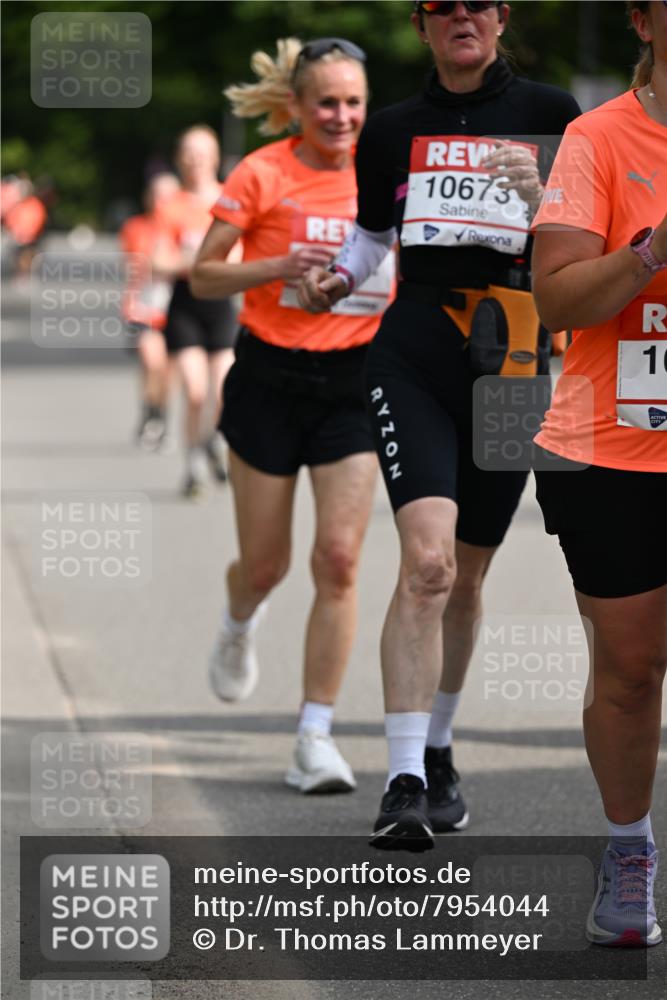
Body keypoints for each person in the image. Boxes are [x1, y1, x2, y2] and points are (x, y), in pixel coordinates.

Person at [299, 1, 580, 848]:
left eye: (477, 5)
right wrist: (334, 279)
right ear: (423, 27)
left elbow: (583, 236)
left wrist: (543, 196)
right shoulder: (390, 129)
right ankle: (404, 779)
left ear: (500, 20)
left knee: (465, 574)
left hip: (515, 354)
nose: (460, 18)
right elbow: (371, 239)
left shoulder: (550, 113)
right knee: (424, 565)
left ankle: (442, 744)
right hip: (414, 349)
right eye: (441, 7)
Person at [190, 37, 393, 793]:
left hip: (355, 379)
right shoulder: (263, 171)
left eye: (353, 103)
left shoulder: (385, 169)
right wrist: (276, 266)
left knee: (339, 560)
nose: (341, 116)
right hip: (270, 377)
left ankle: (314, 736)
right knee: (267, 564)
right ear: (297, 108)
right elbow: (204, 276)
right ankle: (238, 619)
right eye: (326, 103)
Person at [531, 0, 666, 948]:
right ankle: (629, 850)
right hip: (613, 447)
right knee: (629, 672)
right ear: (642, 18)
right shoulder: (596, 138)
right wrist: (653, 249)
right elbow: (556, 298)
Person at [161, 125, 239, 497]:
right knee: (194, 390)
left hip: (221, 304)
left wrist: (196, 260)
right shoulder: (170, 205)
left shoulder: (229, 199)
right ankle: (192, 462)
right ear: (180, 159)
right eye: (189, 153)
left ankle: (210, 440)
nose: (195, 161)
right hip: (185, 305)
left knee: (224, 390)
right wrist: (198, 262)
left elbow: (239, 255)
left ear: (214, 157)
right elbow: (158, 259)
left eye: (202, 153)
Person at [119, 172, 181, 450]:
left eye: (168, 195)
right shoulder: (136, 227)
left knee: (167, 372)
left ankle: (159, 418)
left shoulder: (186, 226)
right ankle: (149, 415)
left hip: (178, 308)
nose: (161, 201)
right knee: (152, 361)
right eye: (157, 194)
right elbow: (133, 264)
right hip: (143, 308)